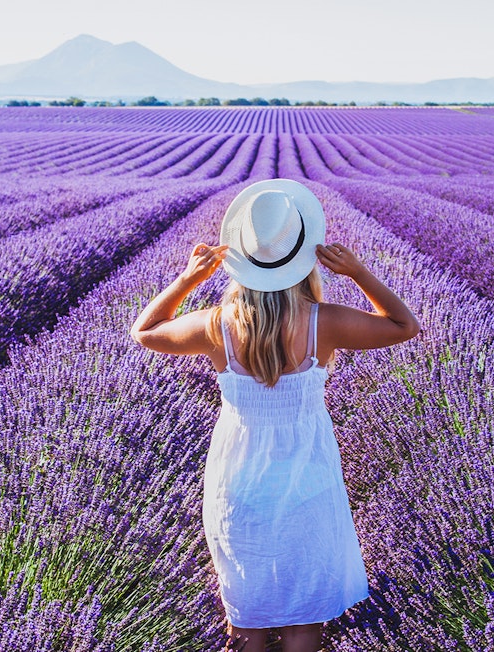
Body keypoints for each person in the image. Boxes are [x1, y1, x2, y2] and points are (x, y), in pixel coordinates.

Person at [130, 179, 419, 651]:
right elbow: (404, 326)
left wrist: (188, 280)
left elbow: (146, 331)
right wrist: (360, 272)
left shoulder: (215, 325)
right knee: (305, 615)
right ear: (304, 257)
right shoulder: (324, 322)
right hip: (310, 477)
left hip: (238, 481)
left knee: (247, 613)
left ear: (242, 259)